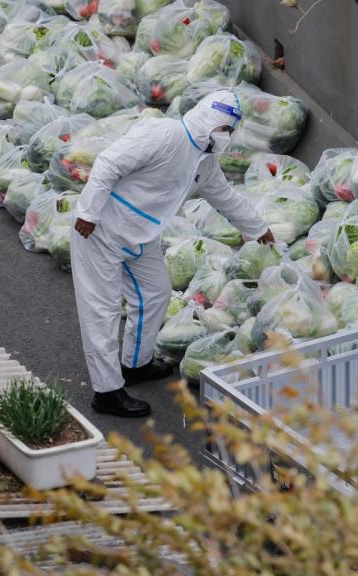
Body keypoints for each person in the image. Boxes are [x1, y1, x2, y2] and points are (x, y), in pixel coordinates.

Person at [71, 91, 275, 418]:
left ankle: (135, 364)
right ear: (208, 119)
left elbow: (225, 196)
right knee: (102, 309)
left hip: (142, 236)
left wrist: (258, 228)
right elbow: (109, 163)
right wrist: (88, 212)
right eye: (224, 128)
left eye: (230, 130)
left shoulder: (204, 160)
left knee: (156, 293)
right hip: (100, 230)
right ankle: (106, 391)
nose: (226, 136)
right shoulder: (165, 134)